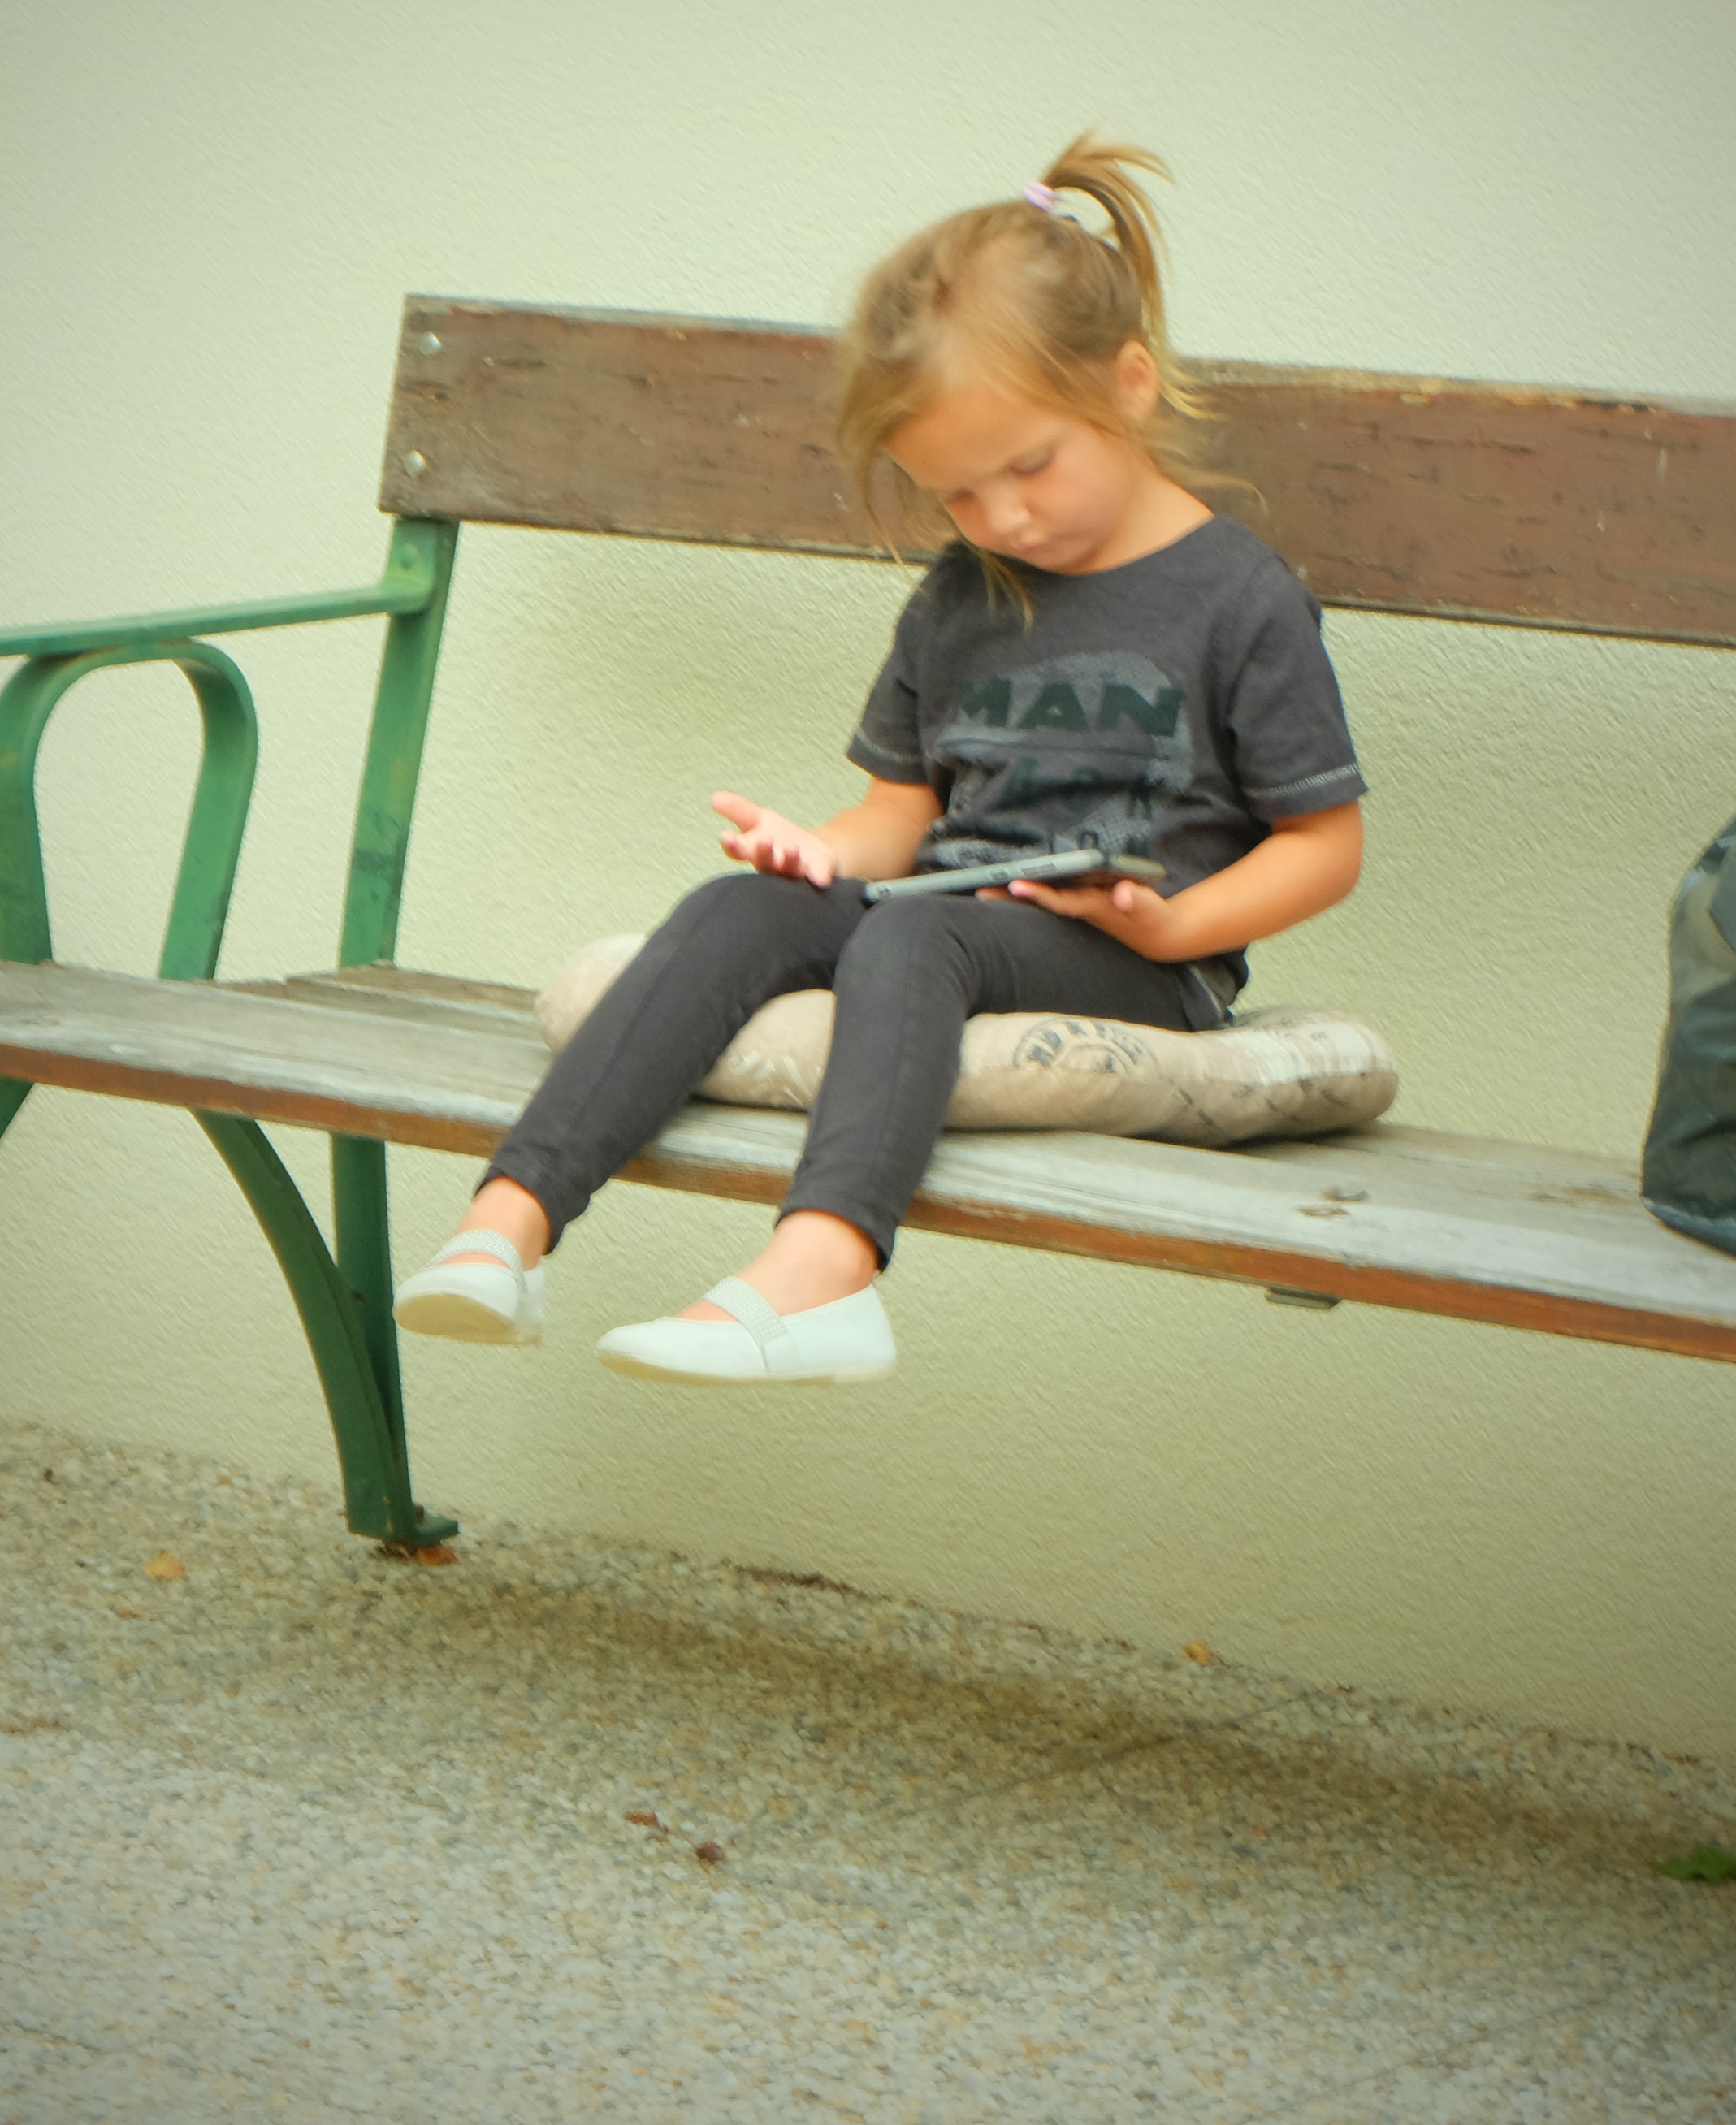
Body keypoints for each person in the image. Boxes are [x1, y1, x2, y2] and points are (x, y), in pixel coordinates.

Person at [394, 138, 1368, 1386]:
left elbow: (1325, 846)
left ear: (1129, 385)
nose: (1003, 519)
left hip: (1136, 960)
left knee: (911, 936)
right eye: (958, 496)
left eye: (1031, 467)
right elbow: (899, 817)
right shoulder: (966, 594)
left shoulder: (1238, 597)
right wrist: (818, 852)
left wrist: (1174, 926)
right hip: (951, 913)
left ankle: (826, 1274)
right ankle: (506, 1229)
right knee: (740, 907)